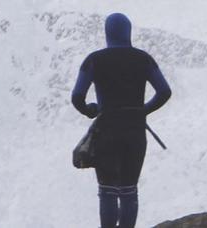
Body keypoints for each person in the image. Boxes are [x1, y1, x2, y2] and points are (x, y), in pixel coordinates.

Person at [71, 13, 172, 228]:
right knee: (129, 189)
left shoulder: (94, 60)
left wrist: (90, 110)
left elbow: (77, 97)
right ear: (128, 31)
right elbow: (164, 92)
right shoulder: (143, 58)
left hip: (106, 130)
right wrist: (143, 110)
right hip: (135, 131)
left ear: (107, 32)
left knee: (107, 190)